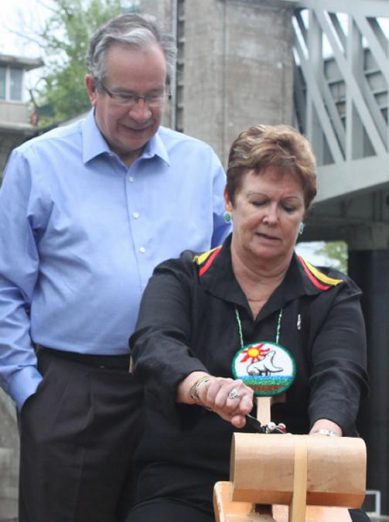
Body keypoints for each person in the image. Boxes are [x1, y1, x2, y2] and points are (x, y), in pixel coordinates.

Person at [0, 13, 229, 522]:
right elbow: (4, 287)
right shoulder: (36, 165)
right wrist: (28, 389)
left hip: (179, 396)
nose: (143, 112)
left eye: (155, 94)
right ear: (92, 88)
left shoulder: (201, 166)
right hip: (73, 391)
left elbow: (229, 275)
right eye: (127, 95)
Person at [126, 124, 369, 522]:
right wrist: (205, 388)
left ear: (304, 213)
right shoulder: (180, 278)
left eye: (288, 207)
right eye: (258, 202)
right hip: (188, 483)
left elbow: (340, 374)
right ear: (229, 200)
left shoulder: (334, 294)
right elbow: (155, 346)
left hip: (303, 483)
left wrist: (325, 436)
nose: (271, 218)